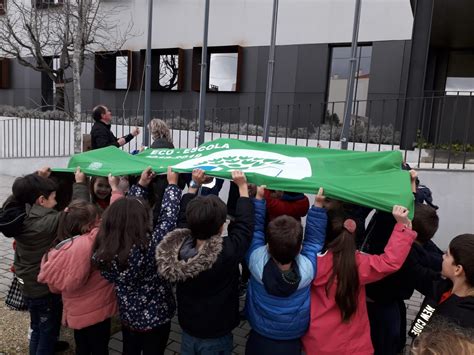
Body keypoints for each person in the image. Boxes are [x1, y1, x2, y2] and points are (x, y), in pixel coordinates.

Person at [156, 170, 254, 355]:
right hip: (218, 333)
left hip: (189, 328)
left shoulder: (179, 246)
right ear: (221, 227)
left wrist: (194, 184)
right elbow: (245, 228)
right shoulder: (227, 252)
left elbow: (182, 218)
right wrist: (242, 189)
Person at [302, 204, 417, 355]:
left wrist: (317, 207)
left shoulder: (310, 262)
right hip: (350, 345)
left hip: (317, 342)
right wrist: (402, 227)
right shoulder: (357, 264)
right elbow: (389, 262)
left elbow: (311, 239)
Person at [92, 166, 181, 355]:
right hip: (157, 317)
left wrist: (141, 184)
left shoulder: (104, 248)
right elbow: (168, 219)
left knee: (129, 350)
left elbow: (125, 211)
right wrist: (172, 186)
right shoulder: (150, 246)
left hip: (128, 316)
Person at [38, 177, 123, 355]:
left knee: (82, 347)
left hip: (77, 314)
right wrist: (116, 190)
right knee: (100, 348)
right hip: (99, 312)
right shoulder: (93, 242)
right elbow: (115, 222)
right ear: (88, 226)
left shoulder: (58, 249)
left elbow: (54, 288)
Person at [12, 167, 89, 354]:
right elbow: (79, 211)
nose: (56, 201)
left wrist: (37, 178)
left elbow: (21, 193)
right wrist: (80, 184)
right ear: (41, 200)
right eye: (53, 197)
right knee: (47, 331)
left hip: (28, 284)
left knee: (37, 326)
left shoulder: (22, 214)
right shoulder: (49, 222)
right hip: (43, 289)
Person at [244, 187, 327, 355]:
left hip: (259, 334)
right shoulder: (308, 268)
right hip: (292, 338)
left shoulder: (255, 260)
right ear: (299, 249)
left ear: (268, 246)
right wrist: (318, 206)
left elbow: (255, 232)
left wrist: (259, 199)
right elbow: (314, 242)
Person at [409, 233, 474, 337]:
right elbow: (418, 271)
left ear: (458, 269)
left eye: (447, 254)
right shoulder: (443, 285)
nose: (442, 256)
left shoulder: (459, 319)